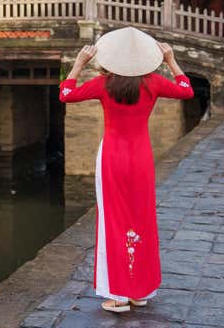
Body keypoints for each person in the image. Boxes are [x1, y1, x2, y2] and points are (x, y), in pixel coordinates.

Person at [59, 26, 194, 313]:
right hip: (141, 159)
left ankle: (118, 295)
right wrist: (170, 60)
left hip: (112, 159)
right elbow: (187, 90)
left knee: (113, 223)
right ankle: (138, 291)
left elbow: (66, 94)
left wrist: (78, 64)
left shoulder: (103, 84)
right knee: (141, 220)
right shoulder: (153, 82)